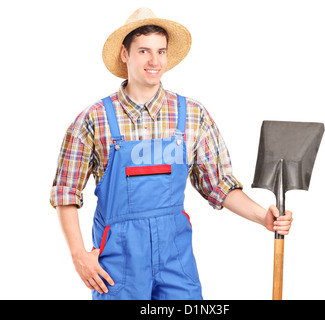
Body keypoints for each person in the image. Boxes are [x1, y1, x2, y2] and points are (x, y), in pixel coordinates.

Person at [50, 8, 293, 300]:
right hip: (119, 262)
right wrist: (78, 255)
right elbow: (65, 192)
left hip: (175, 258)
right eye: (143, 51)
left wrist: (263, 217)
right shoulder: (95, 118)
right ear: (125, 54)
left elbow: (218, 184)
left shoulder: (192, 115)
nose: (155, 61)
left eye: (161, 51)